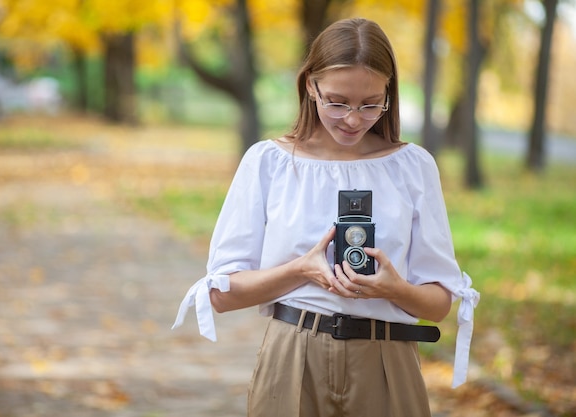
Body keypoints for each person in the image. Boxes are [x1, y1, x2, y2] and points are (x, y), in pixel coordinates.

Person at [172, 17, 480, 417]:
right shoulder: (269, 163)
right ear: (309, 86)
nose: (353, 119)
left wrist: (393, 288)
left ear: (389, 93)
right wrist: (301, 270)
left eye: (371, 103)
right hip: (292, 357)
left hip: (388, 361)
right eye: (337, 101)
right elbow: (222, 295)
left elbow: (438, 304)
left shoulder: (412, 167)